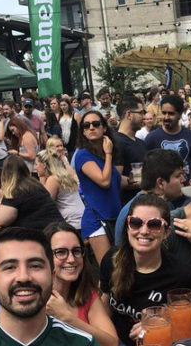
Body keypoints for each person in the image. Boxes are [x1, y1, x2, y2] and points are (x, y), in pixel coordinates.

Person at [99, 193, 191, 346]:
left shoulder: (182, 275)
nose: (144, 231)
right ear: (128, 225)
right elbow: (103, 308)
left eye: (153, 224)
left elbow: (187, 331)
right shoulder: (111, 260)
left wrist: (158, 324)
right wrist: (105, 344)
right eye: (136, 222)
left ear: (166, 231)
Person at [43, 221, 119, 346]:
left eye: (76, 251)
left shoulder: (86, 294)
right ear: (44, 256)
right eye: (61, 252)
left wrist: (67, 318)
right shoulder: (34, 300)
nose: (72, 259)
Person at [74, 109, 123, 264]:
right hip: (97, 220)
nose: (91, 128)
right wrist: (108, 154)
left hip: (114, 217)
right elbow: (104, 181)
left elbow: (115, 180)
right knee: (108, 272)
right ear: (82, 132)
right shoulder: (83, 155)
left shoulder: (101, 155)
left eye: (96, 124)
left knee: (119, 269)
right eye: (86, 126)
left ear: (104, 128)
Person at [0, 155, 63, 231]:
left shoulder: (13, 189)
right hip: (57, 229)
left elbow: (2, 220)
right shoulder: (35, 184)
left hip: (40, 234)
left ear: (5, 172)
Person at [144, 94, 191, 176]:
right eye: (164, 113)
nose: (166, 117)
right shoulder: (152, 138)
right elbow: (147, 169)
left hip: (187, 186)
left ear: (180, 114)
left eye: (171, 113)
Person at [34, 150, 83, 229]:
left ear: (44, 165)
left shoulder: (53, 179)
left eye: (36, 164)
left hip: (72, 223)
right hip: (79, 219)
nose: (35, 167)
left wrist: (41, 177)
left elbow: (45, 205)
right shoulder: (63, 175)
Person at [114, 96, 147, 204]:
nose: (144, 116)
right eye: (141, 112)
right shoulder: (116, 142)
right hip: (127, 207)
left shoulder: (141, 143)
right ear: (129, 114)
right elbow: (115, 179)